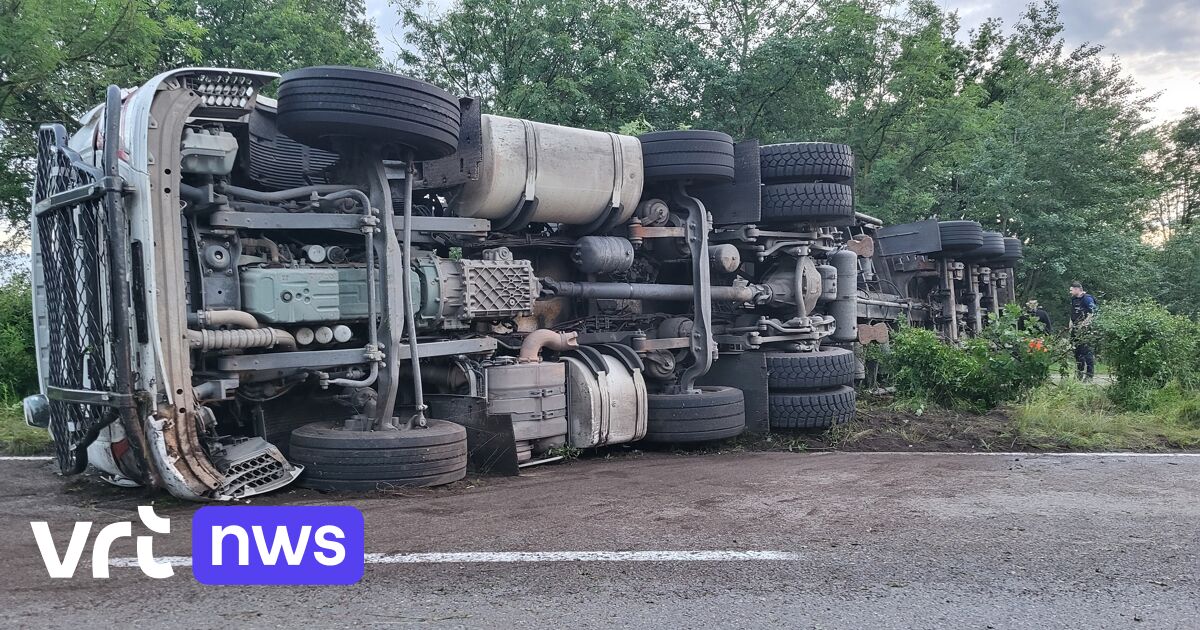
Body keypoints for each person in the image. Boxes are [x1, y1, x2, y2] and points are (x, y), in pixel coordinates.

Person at [1068, 282, 1098, 381]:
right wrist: (1071, 326)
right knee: (1077, 353)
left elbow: (1093, 313)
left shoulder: (1087, 299)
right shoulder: (1074, 299)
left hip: (1085, 330)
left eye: (1072, 290)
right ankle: (1079, 374)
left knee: (1087, 352)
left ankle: (1089, 375)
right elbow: (1072, 313)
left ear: (1078, 289)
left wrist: (1084, 324)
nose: (1070, 292)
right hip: (1075, 329)